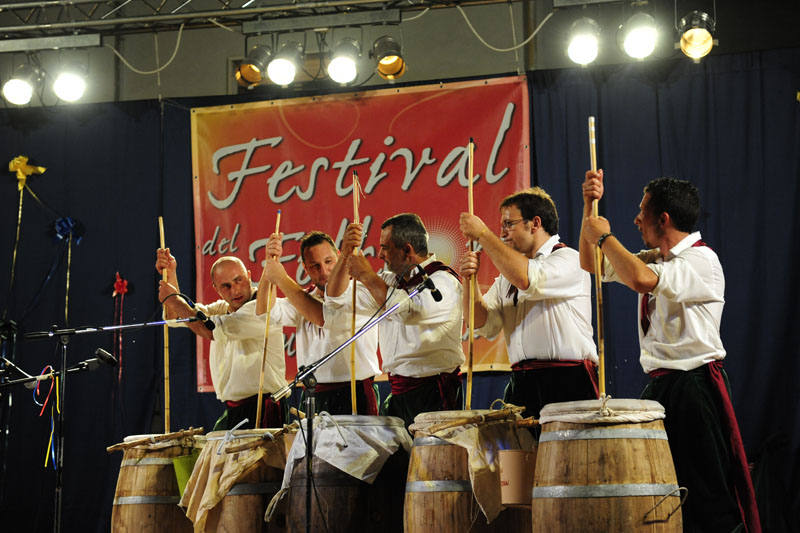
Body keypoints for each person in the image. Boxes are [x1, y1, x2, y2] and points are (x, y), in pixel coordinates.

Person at [580, 170, 760, 533]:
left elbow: (640, 280)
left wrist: (606, 236)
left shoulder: (701, 260)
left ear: (663, 218)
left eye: (642, 212)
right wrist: (589, 208)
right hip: (662, 386)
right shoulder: (654, 257)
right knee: (664, 486)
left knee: (707, 492)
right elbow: (592, 264)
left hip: (694, 385)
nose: (636, 219)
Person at [459, 187, 598, 420]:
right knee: (520, 455)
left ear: (534, 223)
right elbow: (483, 324)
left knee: (567, 455)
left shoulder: (569, 259)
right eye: (501, 226)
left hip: (567, 379)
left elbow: (528, 279)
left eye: (508, 224)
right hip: (522, 382)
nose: (502, 233)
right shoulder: (507, 277)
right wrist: (469, 281)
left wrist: (482, 234)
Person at [326, 213, 465, 428]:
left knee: (431, 460)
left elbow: (409, 311)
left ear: (407, 250)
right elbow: (336, 299)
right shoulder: (388, 282)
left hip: (433, 393)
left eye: (385, 247)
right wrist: (344, 254)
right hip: (398, 392)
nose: (380, 254)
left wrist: (367, 276)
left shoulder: (443, 281)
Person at [156, 250, 286, 431]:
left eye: (238, 280)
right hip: (234, 409)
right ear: (216, 289)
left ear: (249, 276)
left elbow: (209, 330)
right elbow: (176, 317)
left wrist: (175, 300)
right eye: (225, 286)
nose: (235, 290)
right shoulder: (221, 308)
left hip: (262, 408)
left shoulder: (263, 309)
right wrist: (170, 274)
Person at [258, 230, 381, 415]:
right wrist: (269, 266)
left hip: (356, 391)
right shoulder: (304, 297)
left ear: (339, 257)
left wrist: (282, 279)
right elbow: (264, 312)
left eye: (328, 262)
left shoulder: (360, 294)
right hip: (313, 392)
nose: (324, 271)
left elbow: (323, 317)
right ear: (305, 268)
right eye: (315, 266)